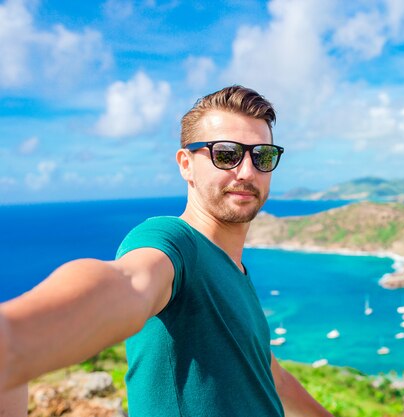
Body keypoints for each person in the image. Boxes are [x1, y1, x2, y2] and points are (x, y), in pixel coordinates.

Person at [0, 86, 333, 417]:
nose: (247, 171)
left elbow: (270, 375)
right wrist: (13, 339)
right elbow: (129, 283)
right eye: (227, 154)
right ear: (185, 164)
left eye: (262, 156)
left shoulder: (236, 272)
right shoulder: (174, 243)